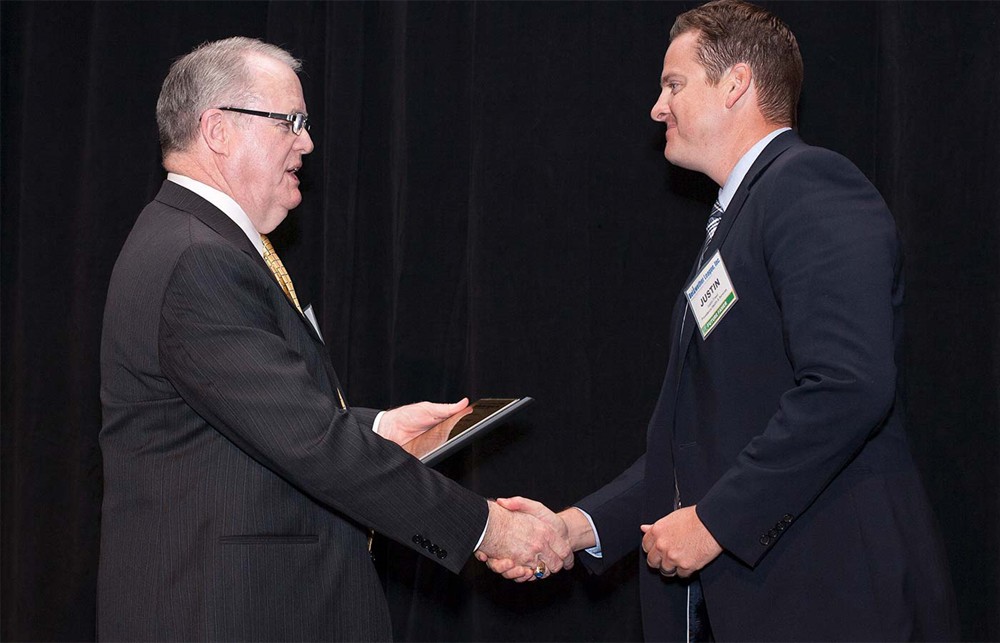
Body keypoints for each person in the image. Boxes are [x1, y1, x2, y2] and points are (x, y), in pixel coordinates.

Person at [480, 1, 959, 640]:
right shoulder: (738, 219)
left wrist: (714, 522)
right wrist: (576, 529)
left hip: (835, 602)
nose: (657, 107)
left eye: (673, 83)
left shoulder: (811, 186)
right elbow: (698, 445)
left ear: (735, 83)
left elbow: (849, 386)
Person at [98, 37, 570, 642]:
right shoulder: (198, 258)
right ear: (216, 129)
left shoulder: (192, 240)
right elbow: (311, 443)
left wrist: (376, 430)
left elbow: (268, 420)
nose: (307, 143)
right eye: (289, 122)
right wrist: (487, 529)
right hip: (226, 614)